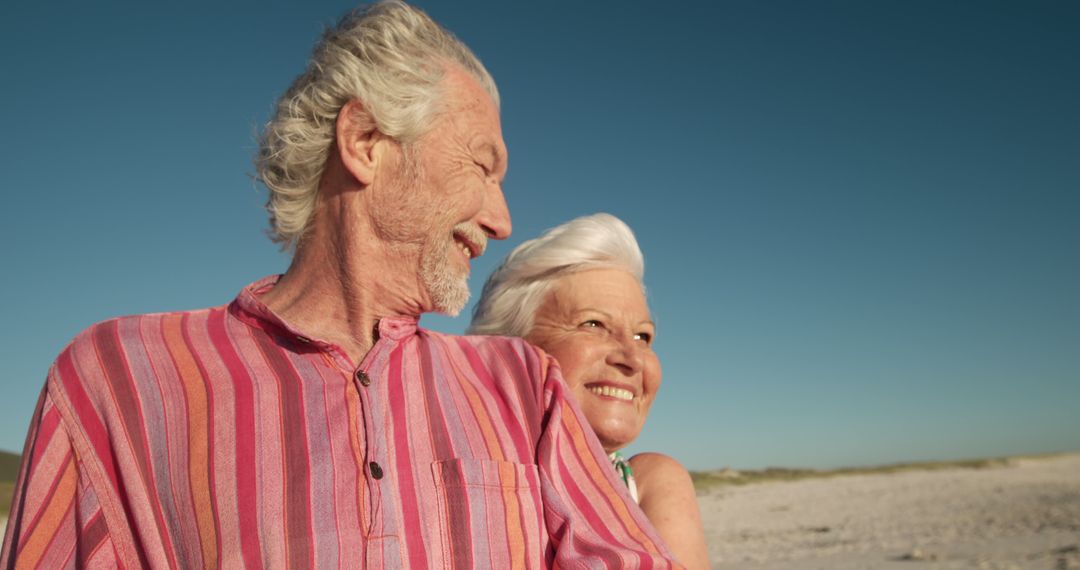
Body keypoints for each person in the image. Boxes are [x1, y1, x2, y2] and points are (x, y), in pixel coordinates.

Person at [0, 3, 679, 568]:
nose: (502, 221)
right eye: (483, 166)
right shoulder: (116, 380)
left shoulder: (523, 385)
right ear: (366, 141)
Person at [470, 213, 709, 569]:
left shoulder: (649, 487)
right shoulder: (455, 480)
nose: (633, 359)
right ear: (506, 348)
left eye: (643, 336)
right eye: (594, 324)